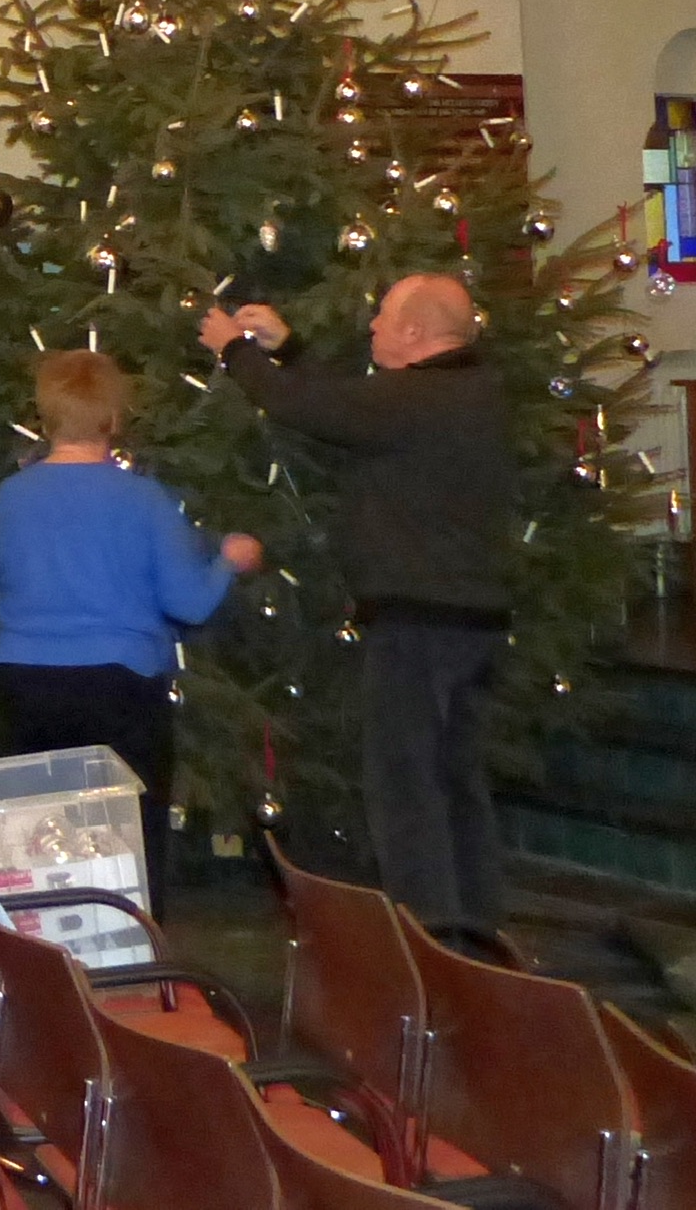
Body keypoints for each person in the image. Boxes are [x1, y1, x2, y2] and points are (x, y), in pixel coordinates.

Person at [199, 274, 515, 938]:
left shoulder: (421, 400)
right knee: (455, 779)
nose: (371, 326)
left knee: (407, 785)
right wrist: (292, 348)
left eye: (383, 317)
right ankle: (477, 929)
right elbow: (353, 407)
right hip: (470, 619)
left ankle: (431, 937)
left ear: (415, 334)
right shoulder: (471, 391)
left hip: (418, 618)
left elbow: (310, 409)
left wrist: (237, 351)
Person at [0, 349, 262, 919]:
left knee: (30, 840)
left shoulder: (9, 498)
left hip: (22, 683)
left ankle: (39, 956)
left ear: (47, 417)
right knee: (130, 845)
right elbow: (190, 603)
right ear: (113, 420)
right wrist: (229, 560)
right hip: (119, 688)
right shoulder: (143, 500)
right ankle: (132, 959)